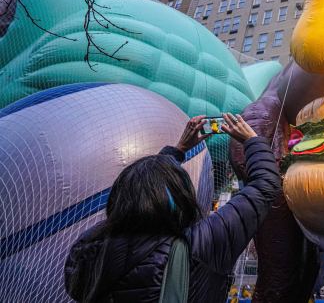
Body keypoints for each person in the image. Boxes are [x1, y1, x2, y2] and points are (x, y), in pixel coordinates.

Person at [64, 113, 280, 302]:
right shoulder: (204, 242)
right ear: (181, 196)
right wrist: (253, 141)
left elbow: (148, 189)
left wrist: (175, 152)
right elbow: (265, 186)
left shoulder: (90, 249)